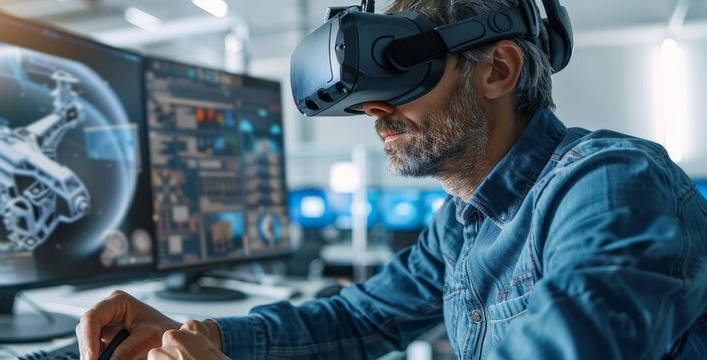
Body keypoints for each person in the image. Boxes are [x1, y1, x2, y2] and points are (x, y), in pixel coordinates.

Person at [76, 0, 707, 359]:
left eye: (401, 75)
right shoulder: (460, 224)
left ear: (498, 71)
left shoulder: (610, 184)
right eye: (365, 92)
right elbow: (359, 320)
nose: (374, 110)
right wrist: (199, 335)